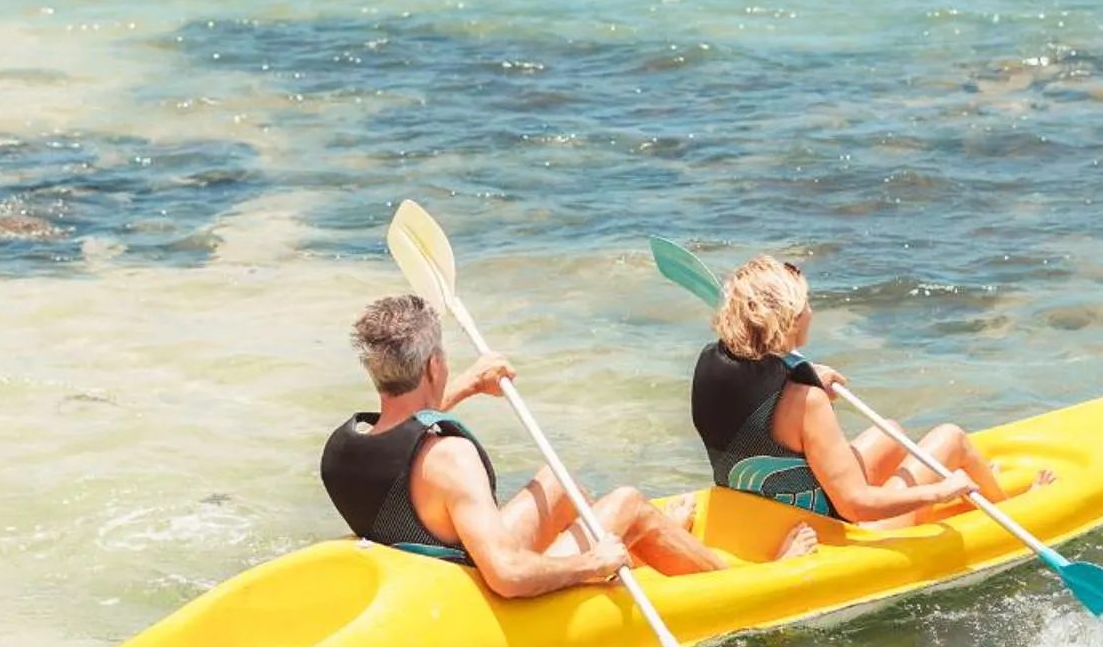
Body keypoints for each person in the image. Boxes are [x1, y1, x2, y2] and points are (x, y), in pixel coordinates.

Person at [324, 294, 813, 598]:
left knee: (557, 485)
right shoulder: (450, 459)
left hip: (440, 569)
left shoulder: (347, 447)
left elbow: (404, 432)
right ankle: (750, 582)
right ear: (434, 366)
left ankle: (650, 545)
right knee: (628, 503)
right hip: (483, 594)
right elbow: (508, 575)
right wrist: (590, 564)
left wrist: (468, 386)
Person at [692, 256, 1027, 527]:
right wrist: (941, 491)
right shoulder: (806, 401)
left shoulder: (711, 363)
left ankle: (967, 487)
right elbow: (855, 506)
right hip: (836, 528)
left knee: (891, 433)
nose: (812, 312)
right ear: (790, 320)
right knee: (951, 438)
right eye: (806, 305)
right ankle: (1011, 513)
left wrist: (803, 374)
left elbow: (760, 404)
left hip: (765, 512)